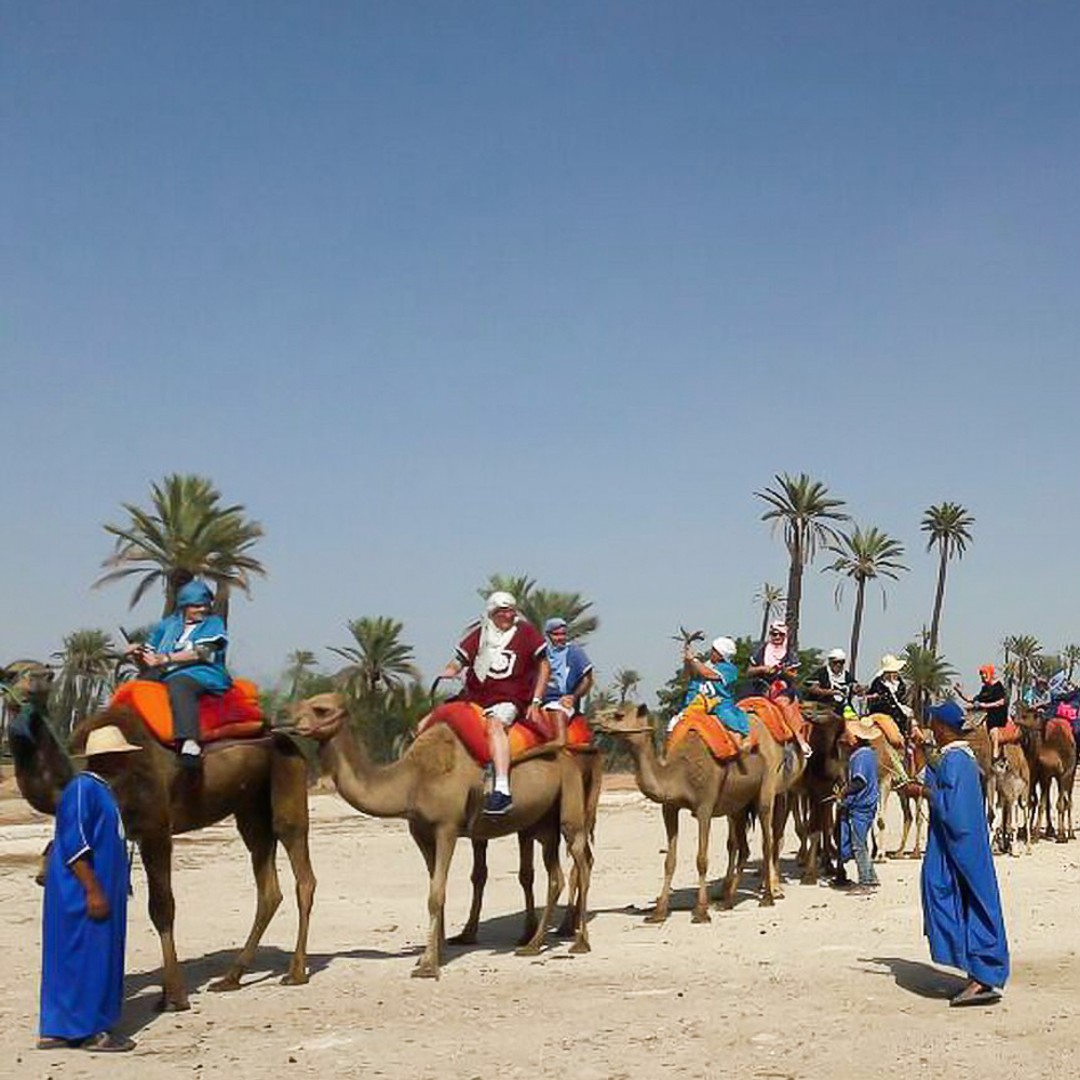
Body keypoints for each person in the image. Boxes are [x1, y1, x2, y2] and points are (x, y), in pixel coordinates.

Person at [38, 726, 141, 1052]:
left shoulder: (100, 790)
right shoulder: (84, 790)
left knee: (70, 956)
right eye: (123, 755)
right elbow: (75, 846)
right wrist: (94, 890)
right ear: (108, 758)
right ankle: (92, 1030)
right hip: (84, 891)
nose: (127, 761)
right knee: (90, 956)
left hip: (93, 888)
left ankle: (60, 1028)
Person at [903, 700, 1009, 1007]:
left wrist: (921, 792)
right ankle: (976, 971)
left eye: (934, 723)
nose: (931, 727)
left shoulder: (956, 761)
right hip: (956, 847)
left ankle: (983, 976)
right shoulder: (953, 758)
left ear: (943, 727)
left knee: (968, 899)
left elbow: (957, 811)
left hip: (962, 848)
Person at [425, 591, 550, 815]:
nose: (507, 615)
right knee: (426, 723)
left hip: (509, 696)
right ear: (492, 613)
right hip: (475, 696)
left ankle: (502, 790)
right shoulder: (480, 635)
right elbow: (458, 661)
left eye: (511, 610)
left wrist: (536, 700)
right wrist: (450, 671)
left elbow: (544, 665)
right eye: (502, 611)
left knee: (495, 725)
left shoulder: (526, 633)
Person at [125, 579, 231, 767]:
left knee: (180, 684)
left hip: (203, 672)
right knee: (136, 687)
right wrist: (138, 652)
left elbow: (201, 653)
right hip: (166, 672)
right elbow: (151, 653)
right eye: (197, 606)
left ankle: (190, 742)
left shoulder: (213, 624)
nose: (202, 610)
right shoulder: (167, 625)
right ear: (184, 606)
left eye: (205, 605)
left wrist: (165, 659)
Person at [674, 636, 752, 753]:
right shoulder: (706, 664)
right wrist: (688, 661)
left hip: (720, 704)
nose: (712, 652)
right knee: (673, 724)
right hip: (696, 704)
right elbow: (687, 675)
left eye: (714, 650)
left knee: (729, 720)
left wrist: (694, 659)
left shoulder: (729, 669)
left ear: (721, 655)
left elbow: (708, 674)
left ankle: (740, 743)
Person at [747, 621, 812, 756]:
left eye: (780, 635)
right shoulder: (761, 650)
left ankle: (800, 741)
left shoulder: (790, 653)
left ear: (785, 636)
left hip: (782, 687)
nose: (776, 637)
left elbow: (794, 674)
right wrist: (763, 668)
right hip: (760, 686)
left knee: (782, 704)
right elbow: (749, 671)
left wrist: (782, 671)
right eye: (774, 634)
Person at [836, 716, 881, 892]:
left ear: (857, 738)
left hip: (859, 807)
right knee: (861, 842)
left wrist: (844, 792)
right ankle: (871, 876)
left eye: (850, 734)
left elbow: (859, 782)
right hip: (868, 805)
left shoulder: (859, 756)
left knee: (858, 845)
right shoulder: (870, 753)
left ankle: (866, 882)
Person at [540, 617, 593, 743]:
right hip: (539, 700)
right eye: (556, 634)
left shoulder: (574, 652)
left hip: (561, 701)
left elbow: (587, 678)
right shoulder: (541, 653)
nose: (561, 638)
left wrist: (573, 697)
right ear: (548, 635)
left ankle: (559, 741)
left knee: (557, 711)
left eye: (563, 634)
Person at [955, 665, 1008, 762]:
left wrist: (984, 705)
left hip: (998, 714)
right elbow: (972, 700)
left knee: (993, 728)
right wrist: (960, 693)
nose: (983, 676)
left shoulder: (998, 686)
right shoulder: (985, 689)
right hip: (986, 713)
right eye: (982, 674)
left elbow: (1001, 702)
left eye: (984, 673)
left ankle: (995, 754)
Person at [864, 654, 912, 736]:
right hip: (883, 711)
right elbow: (870, 695)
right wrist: (875, 697)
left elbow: (901, 698)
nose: (895, 674)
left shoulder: (900, 684)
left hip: (899, 712)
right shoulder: (878, 683)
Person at [806, 648, 859, 719]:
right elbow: (812, 689)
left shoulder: (846, 675)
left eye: (841, 662)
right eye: (836, 662)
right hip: (824, 707)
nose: (838, 665)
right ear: (830, 662)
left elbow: (854, 687)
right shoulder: (821, 673)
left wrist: (858, 689)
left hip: (844, 708)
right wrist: (830, 692)